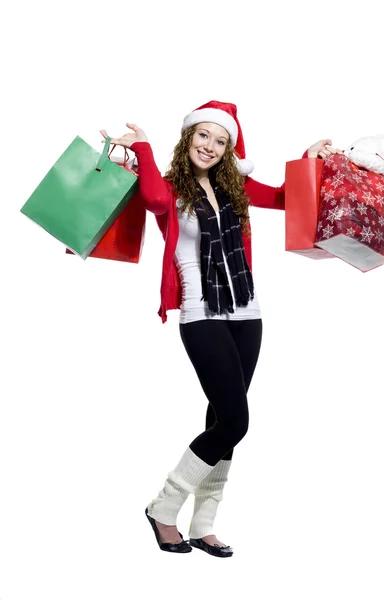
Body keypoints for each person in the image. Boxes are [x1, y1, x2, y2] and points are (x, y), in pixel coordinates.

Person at [100, 100, 339, 558]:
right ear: (189, 137)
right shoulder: (170, 188)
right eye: (203, 135)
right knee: (235, 421)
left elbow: (286, 198)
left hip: (247, 313)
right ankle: (163, 508)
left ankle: (204, 523)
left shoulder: (237, 186)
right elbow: (149, 199)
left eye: (220, 140)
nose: (209, 146)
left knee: (220, 420)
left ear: (229, 148)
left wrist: (308, 159)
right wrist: (145, 147)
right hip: (200, 314)